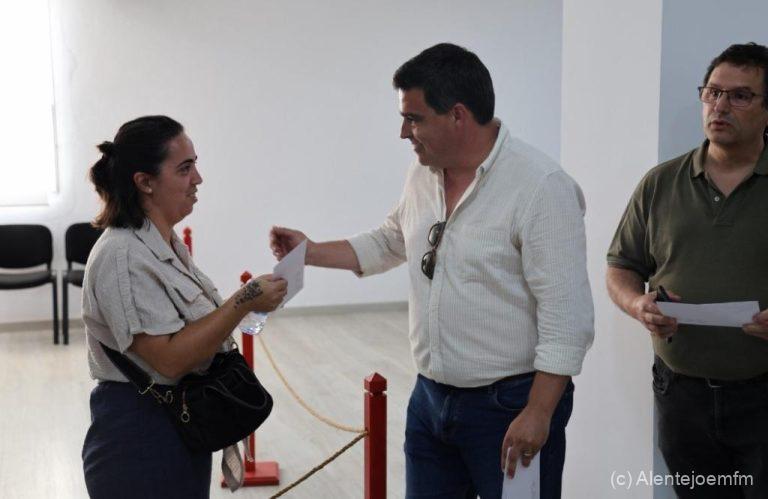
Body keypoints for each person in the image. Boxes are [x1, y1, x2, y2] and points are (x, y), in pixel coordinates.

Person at [270, 43, 594, 498]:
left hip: (511, 408)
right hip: (430, 399)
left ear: (457, 115)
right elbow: (393, 239)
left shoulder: (541, 188)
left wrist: (539, 413)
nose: (404, 132)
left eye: (414, 118)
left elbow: (568, 320)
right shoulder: (423, 171)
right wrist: (310, 251)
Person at [81, 115, 287, 498]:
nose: (198, 179)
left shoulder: (162, 242)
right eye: (184, 168)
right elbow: (170, 359)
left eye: (195, 165)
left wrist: (250, 304)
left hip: (176, 421)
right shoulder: (123, 255)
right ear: (145, 182)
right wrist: (244, 300)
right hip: (139, 434)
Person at [606, 42, 768, 498]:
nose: (720, 106)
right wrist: (638, 304)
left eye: (740, 96)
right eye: (712, 92)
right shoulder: (661, 183)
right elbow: (621, 265)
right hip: (681, 397)